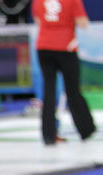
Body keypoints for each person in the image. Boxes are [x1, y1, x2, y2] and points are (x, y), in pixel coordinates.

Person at [33, 0, 96, 145]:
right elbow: (83, 23)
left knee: (49, 90)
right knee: (72, 90)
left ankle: (48, 135)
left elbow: (38, 21)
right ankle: (86, 129)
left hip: (44, 46)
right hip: (65, 47)